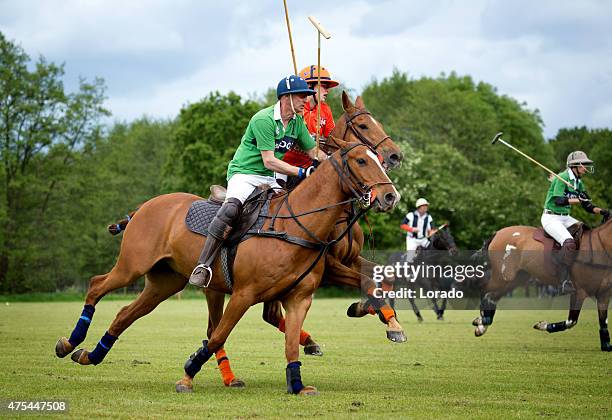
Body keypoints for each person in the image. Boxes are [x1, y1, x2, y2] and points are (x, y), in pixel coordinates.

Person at [189, 75, 328, 287]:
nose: (306, 100)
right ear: (286, 98)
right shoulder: (263, 119)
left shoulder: (297, 122)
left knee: (287, 211)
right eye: (301, 96)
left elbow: (313, 150)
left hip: (270, 178)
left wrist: (333, 162)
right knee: (231, 209)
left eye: (307, 96)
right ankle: (204, 265)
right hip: (245, 173)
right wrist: (301, 172)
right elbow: (269, 160)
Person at [541, 151, 609, 293]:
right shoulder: (562, 178)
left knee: (587, 234)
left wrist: (602, 211)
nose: (585, 168)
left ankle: (583, 270)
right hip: (551, 217)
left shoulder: (579, 183)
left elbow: (588, 206)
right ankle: (563, 280)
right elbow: (558, 200)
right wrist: (578, 200)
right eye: (583, 165)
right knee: (569, 242)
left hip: (565, 217)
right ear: (575, 166)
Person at [282, 65, 339, 169]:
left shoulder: (325, 109)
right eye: (324, 86)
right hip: (286, 165)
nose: (327, 91)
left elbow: (331, 140)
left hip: (312, 165)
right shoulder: (293, 108)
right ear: (309, 86)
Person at [400, 198, 437, 264]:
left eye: (426, 205)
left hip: (423, 240)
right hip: (412, 240)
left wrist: (431, 232)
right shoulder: (410, 215)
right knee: (410, 258)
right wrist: (412, 229)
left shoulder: (429, 217)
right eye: (424, 205)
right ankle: (407, 271)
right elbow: (402, 225)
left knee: (433, 251)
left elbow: (431, 229)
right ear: (419, 207)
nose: (426, 207)